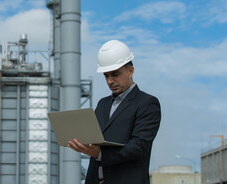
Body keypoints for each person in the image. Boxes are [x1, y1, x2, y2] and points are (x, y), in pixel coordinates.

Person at [67, 40, 161, 184]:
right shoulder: (103, 104)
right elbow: (96, 140)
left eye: (115, 74)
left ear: (131, 71)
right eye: (106, 75)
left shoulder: (147, 103)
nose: (110, 81)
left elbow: (139, 147)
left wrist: (100, 153)